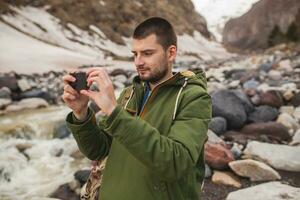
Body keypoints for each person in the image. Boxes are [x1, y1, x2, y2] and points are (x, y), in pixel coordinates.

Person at [62, 17, 212, 200]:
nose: (138, 62)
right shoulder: (129, 93)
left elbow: (176, 163)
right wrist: (81, 113)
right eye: (135, 54)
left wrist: (113, 112)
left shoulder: (194, 97)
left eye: (147, 53)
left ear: (171, 53)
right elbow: (99, 150)